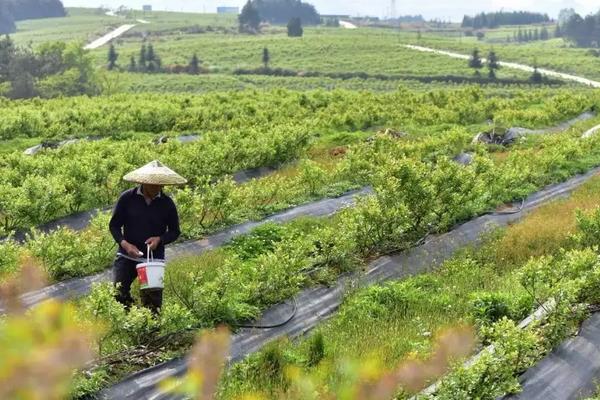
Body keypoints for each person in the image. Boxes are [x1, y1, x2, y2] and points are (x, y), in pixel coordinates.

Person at [109, 160, 187, 313]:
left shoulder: (167, 204)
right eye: (153, 184)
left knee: (152, 302)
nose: (157, 188)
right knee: (118, 293)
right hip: (127, 256)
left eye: (160, 185)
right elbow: (114, 225)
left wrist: (160, 239)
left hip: (153, 260)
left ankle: (150, 331)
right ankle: (132, 320)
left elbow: (175, 231)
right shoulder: (127, 198)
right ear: (143, 182)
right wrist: (125, 245)